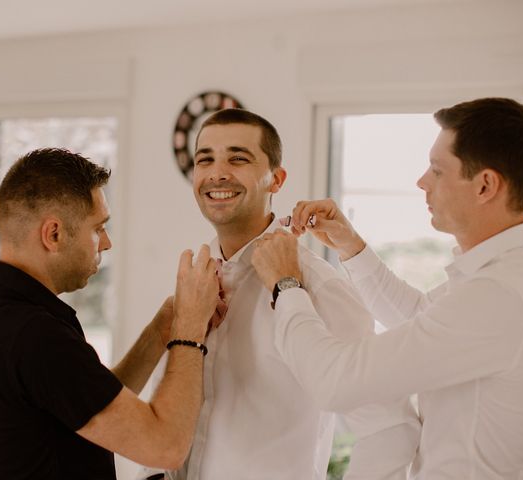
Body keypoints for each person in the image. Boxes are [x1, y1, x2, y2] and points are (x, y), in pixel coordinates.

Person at [251, 97, 523, 478]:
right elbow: (420, 319)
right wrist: (352, 248)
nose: (421, 181)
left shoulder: (499, 293)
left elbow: (337, 383)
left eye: (437, 170)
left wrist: (285, 286)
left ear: (485, 185)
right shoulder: (504, 273)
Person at [142, 109, 421, 480]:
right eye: (204, 159)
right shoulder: (195, 281)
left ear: (276, 179)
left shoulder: (320, 288)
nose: (217, 172)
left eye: (238, 158)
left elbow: (390, 429)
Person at [0, 148, 221, 480]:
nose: (106, 243)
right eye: (99, 228)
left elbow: (89, 401)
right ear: (53, 234)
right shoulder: (36, 336)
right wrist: (189, 330)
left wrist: (160, 331)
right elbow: (165, 448)